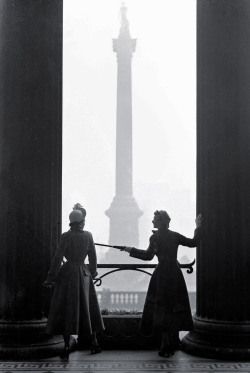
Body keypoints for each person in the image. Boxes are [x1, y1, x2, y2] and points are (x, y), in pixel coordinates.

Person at [120, 210, 202, 358]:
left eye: (154, 220)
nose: (152, 222)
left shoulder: (155, 237)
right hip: (175, 273)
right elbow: (193, 243)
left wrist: (129, 250)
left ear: (159, 222)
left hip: (162, 274)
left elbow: (148, 256)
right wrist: (198, 226)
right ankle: (173, 341)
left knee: (162, 307)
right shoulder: (175, 235)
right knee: (173, 306)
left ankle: (165, 344)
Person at [43, 204, 104, 360]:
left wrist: (50, 278)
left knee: (66, 310)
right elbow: (93, 258)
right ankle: (94, 343)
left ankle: (67, 346)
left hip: (67, 274)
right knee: (89, 309)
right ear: (82, 222)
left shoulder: (66, 236)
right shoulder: (88, 236)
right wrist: (93, 272)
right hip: (84, 274)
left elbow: (57, 258)